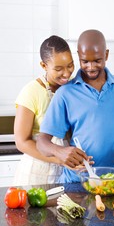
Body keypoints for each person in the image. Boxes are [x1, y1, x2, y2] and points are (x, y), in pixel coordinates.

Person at [36, 29, 114, 183]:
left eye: (97, 60)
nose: (91, 66)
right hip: (77, 182)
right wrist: (59, 152)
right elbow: (42, 142)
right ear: (78, 57)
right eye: (85, 61)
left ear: (106, 55)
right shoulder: (65, 93)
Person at [13, 35, 76, 186]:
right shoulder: (31, 92)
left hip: (68, 173)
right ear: (44, 65)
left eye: (70, 65)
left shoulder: (74, 88)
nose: (67, 74)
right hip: (36, 174)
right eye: (58, 69)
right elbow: (21, 142)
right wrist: (57, 159)